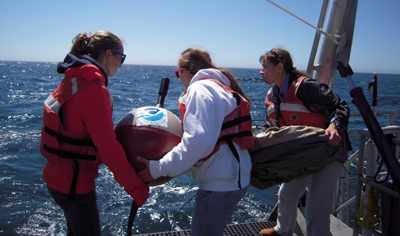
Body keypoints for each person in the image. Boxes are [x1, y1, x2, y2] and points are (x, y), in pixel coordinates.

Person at [40, 31, 149, 235]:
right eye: (121, 57)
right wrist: (138, 189)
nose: (122, 64)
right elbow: (108, 150)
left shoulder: (74, 78)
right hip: (75, 186)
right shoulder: (94, 89)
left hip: (57, 180)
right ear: (108, 54)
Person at [137, 47, 254, 236]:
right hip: (235, 180)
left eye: (177, 73)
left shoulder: (200, 89)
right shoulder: (220, 87)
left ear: (184, 70)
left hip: (219, 185)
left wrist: (157, 168)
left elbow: (199, 140)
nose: (179, 78)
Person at [258, 48, 351, 236]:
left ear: (280, 67)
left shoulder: (307, 87)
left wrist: (334, 127)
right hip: (304, 155)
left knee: (317, 206)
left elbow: (340, 107)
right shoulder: (272, 96)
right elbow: (270, 125)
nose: (261, 71)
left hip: (329, 152)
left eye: (265, 67)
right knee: (287, 194)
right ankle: (283, 230)